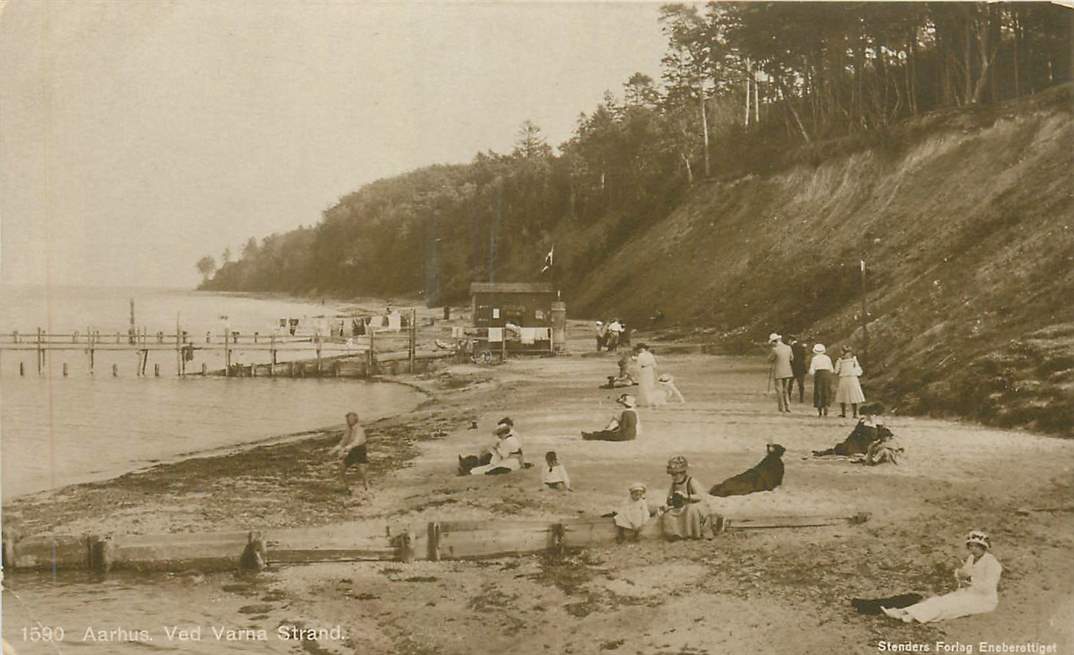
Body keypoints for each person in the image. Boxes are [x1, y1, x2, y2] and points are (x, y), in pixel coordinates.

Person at [883, 531, 1002, 623]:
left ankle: (912, 616)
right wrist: (960, 576)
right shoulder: (971, 558)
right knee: (939, 600)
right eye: (971, 546)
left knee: (950, 607)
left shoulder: (992, 564)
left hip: (984, 600)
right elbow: (963, 574)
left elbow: (989, 587)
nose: (973, 549)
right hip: (967, 593)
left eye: (977, 546)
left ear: (984, 547)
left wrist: (970, 580)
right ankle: (903, 611)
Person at [659, 456, 709, 540]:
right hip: (680, 507)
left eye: (675, 474)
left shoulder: (691, 481)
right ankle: (675, 534)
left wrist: (686, 496)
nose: (673, 477)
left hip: (695, 505)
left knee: (690, 509)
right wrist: (670, 501)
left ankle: (692, 533)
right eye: (672, 474)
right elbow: (669, 498)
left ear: (682, 473)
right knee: (668, 514)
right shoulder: (674, 484)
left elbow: (701, 496)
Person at [460, 421, 525, 475]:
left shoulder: (507, 441)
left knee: (491, 468)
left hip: (510, 462)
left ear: (504, 433)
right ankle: (471, 471)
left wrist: (496, 449)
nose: (499, 436)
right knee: (490, 466)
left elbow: (505, 455)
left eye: (500, 434)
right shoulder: (511, 439)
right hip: (512, 461)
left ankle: (470, 471)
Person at [331, 411, 368, 492]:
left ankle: (366, 486)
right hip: (351, 449)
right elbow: (344, 440)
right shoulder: (348, 429)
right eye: (347, 419)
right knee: (342, 466)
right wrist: (335, 449)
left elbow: (357, 441)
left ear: (355, 419)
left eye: (350, 419)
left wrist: (346, 448)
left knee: (362, 469)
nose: (348, 421)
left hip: (360, 449)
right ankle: (345, 486)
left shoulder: (359, 429)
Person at [834, 345, 866, 418]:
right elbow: (858, 369)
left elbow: (836, 371)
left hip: (845, 378)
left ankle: (844, 413)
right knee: (853, 395)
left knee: (843, 395)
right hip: (852, 378)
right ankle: (854, 414)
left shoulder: (840, 360)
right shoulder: (853, 360)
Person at [768, 333, 794, 413]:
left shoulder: (775, 350)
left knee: (779, 390)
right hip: (788, 371)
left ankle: (781, 407)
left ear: (774, 342)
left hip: (778, 372)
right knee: (785, 390)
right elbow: (792, 358)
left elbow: (769, 359)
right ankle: (788, 406)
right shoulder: (788, 348)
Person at [808, 343, 835, 417]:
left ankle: (819, 409)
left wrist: (812, 373)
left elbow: (812, 371)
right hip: (827, 374)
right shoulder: (827, 358)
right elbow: (832, 369)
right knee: (826, 390)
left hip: (819, 374)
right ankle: (826, 405)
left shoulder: (815, 359)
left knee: (818, 390)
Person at [787, 336, 808, 403]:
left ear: (791, 340)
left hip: (792, 367)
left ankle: (789, 397)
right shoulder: (801, 347)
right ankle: (801, 398)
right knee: (801, 384)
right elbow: (804, 357)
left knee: (790, 383)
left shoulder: (790, 348)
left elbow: (789, 358)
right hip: (801, 367)